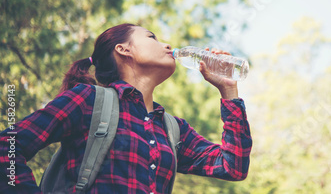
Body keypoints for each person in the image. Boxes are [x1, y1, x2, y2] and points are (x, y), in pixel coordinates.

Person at [0, 23, 252, 193]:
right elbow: (8, 146)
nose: (167, 45)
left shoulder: (174, 130)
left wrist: (228, 91)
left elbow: (233, 166)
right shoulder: (87, 100)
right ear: (123, 49)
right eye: (152, 37)